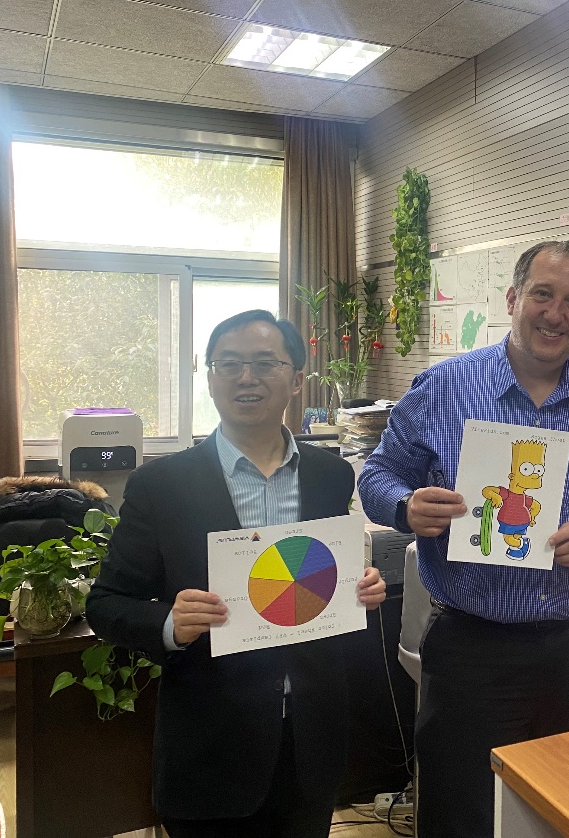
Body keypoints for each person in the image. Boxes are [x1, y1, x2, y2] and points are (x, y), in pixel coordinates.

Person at [359, 240, 569, 838]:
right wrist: (407, 506)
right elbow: (377, 476)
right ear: (513, 298)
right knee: (460, 811)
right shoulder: (443, 388)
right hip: (471, 647)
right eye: (542, 294)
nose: (555, 314)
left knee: (568, 809)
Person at [87, 310, 386, 838]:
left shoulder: (329, 474)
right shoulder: (162, 485)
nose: (246, 377)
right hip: (209, 749)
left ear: (296, 380)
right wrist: (169, 625)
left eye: (265, 363)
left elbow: (320, 578)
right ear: (210, 378)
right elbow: (107, 603)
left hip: (310, 744)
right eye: (229, 364)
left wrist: (359, 588)